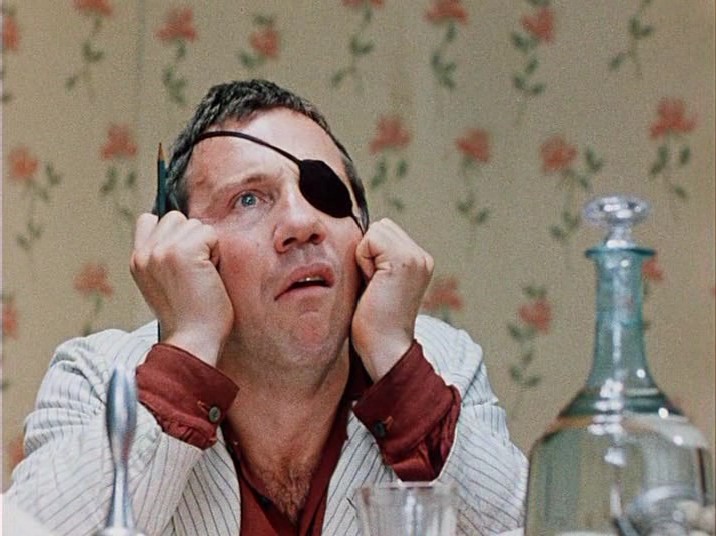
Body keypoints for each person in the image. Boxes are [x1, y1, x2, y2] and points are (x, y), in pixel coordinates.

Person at [6, 79, 528, 535]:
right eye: (249, 199)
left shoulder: (443, 368)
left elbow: (530, 525)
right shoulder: (100, 381)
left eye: (324, 191)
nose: (303, 223)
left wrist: (397, 367)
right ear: (180, 246)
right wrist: (189, 347)